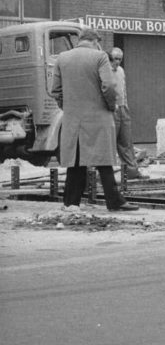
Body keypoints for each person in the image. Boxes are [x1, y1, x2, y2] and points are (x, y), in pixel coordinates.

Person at [51, 27, 139, 212]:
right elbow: (109, 86)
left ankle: (71, 202)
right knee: (104, 161)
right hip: (99, 117)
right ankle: (115, 202)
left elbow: (56, 91)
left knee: (75, 162)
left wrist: (68, 108)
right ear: (94, 41)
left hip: (73, 118)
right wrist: (109, 106)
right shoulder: (100, 57)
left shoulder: (62, 58)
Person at [109, 47, 145, 179]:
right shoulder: (104, 71)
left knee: (126, 141)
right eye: (114, 59)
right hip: (111, 109)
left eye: (119, 59)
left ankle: (131, 171)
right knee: (110, 142)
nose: (117, 62)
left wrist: (126, 106)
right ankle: (107, 175)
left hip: (123, 108)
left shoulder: (121, 71)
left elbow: (123, 90)